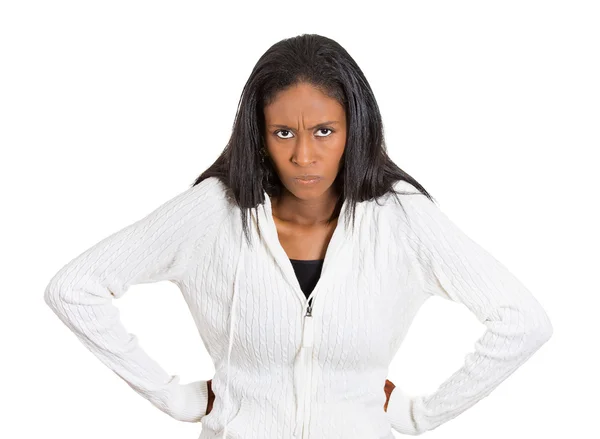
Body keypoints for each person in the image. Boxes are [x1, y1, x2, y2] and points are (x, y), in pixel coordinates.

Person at [44, 34, 553, 439]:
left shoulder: (401, 219)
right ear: (259, 135)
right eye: (283, 132)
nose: (304, 156)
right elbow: (75, 288)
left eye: (324, 131)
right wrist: (174, 398)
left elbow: (522, 322)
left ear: (356, 128)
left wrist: (420, 415)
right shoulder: (210, 214)